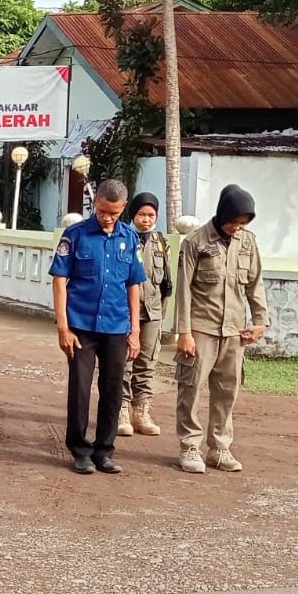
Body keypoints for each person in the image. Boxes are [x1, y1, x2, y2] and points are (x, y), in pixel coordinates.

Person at [48, 178, 146, 475]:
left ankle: (104, 450)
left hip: (116, 326)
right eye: (103, 211)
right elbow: (59, 280)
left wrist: (135, 331)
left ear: (122, 208)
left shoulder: (129, 237)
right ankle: (79, 450)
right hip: (81, 326)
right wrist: (63, 327)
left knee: (113, 389)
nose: (107, 218)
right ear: (96, 204)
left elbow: (134, 285)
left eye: (114, 213)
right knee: (80, 389)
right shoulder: (75, 235)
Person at [173, 184, 269, 474]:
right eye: (234, 222)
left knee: (228, 390)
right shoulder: (195, 242)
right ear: (222, 214)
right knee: (190, 389)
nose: (237, 228)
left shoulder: (248, 242)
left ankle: (219, 448)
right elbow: (183, 290)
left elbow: (255, 283)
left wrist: (260, 321)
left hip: (234, 331)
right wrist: (184, 332)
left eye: (243, 224)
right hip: (201, 328)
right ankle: (190, 445)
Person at [119, 192, 171, 437]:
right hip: (125, 312)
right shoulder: (123, 237)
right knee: (123, 363)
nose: (146, 220)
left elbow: (167, 285)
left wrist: (162, 316)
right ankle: (121, 409)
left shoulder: (160, 242)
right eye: (141, 214)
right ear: (133, 215)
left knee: (147, 363)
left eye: (151, 215)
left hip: (152, 313)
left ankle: (141, 411)